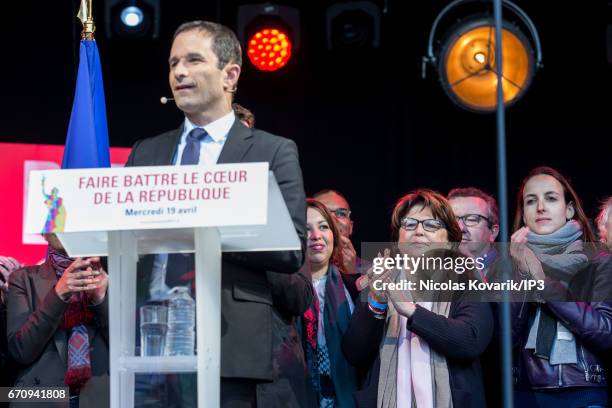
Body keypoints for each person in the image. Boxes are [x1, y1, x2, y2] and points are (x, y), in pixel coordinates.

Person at [126, 20, 307, 406]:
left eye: (193, 60)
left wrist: (203, 229)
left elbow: (291, 249)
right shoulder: (146, 152)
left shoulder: (271, 151)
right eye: (173, 62)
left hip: (230, 347)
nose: (178, 72)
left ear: (230, 74)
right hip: (150, 346)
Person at [342, 189, 493, 408]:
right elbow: (354, 354)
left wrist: (411, 311)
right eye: (410, 224)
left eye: (431, 225)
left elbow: (470, 340)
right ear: (398, 238)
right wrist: (375, 302)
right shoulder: (380, 279)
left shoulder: (467, 278)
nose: (419, 231)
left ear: (450, 239)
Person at [510, 166, 612, 407]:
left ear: (568, 209)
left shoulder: (599, 262)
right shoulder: (508, 266)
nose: (541, 207)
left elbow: (605, 332)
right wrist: (520, 275)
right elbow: (505, 339)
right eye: (531, 201)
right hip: (526, 394)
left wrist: (542, 284)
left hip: (583, 392)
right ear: (524, 215)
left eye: (551, 198)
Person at [6, 234, 109, 408]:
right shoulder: (23, 278)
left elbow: (129, 348)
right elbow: (20, 351)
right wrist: (58, 295)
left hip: (100, 397)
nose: (57, 228)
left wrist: (100, 301)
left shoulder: (110, 275)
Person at [299, 199, 358, 407]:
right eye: (306, 229)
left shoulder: (354, 288)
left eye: (323, 227)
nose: (316, 236)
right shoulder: (283, 290)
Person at [447, 187, 499, 280]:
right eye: (452, 220)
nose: (460, 228)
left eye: (472, 219)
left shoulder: (516, 270)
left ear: (493, 232)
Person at [313, 190, 361, 275]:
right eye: (324, 213)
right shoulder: (292, 269)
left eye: (341, 214)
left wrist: (351, 275)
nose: (333, 219)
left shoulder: (375, 272)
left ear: (350, 227)